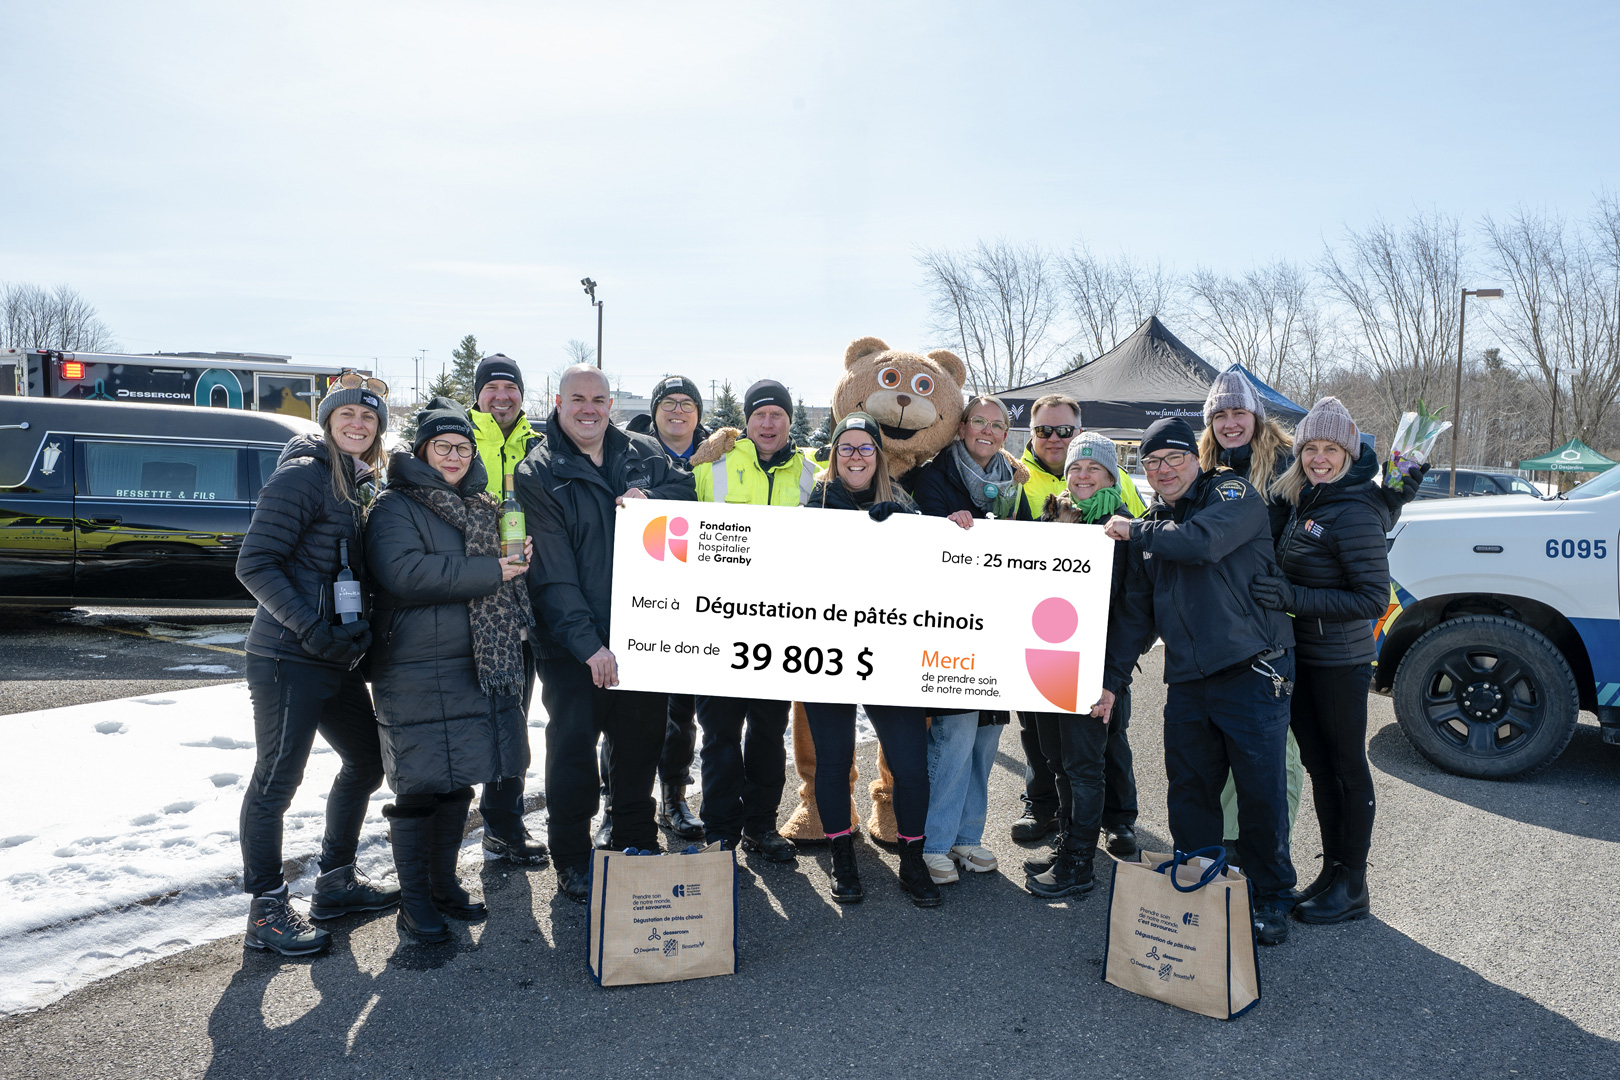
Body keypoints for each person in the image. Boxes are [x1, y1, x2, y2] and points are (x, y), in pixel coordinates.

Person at [1100, 416, 1298, 946]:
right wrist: (1111, 682)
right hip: (1189, 679)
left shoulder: (1230, 493)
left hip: (1253, 670)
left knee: (1260, 794)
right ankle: (1201, 884)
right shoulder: (1152, 525)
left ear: (1197, 458)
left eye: (1174, 458)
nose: (1164, 470)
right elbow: (1135, 617)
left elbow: (1201, 543)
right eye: (1152, 463)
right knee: (1189, 790)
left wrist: (1134, 529)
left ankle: (1272, 895)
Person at [514, 365, 697, 902]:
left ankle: (636, 841)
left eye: (598, 398)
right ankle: (571, 858)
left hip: (642, 633)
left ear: (611, 402)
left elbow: (685, 493)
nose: (589, 408)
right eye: (578, 399)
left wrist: (651, 499)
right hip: (574, 644)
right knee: (573, 751)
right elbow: (552, 574)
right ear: (559, 402)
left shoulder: (639, 451)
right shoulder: (539, 471)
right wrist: (589, 646)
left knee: (640, 744)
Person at [234, 373, 396, 956]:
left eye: (369, 418)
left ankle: (335, 881)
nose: (358, 424)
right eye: (347, 415)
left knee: (367, 760)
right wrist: (310, 627)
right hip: (287, 656)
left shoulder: (357, 482)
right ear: (327, 421)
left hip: (335, 658)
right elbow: (255, 563)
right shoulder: (303, 474)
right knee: (276, 782)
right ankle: (267, 909)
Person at [365, 397, 535, 942]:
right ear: (422, 450)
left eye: (463, 446)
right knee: (419, 787)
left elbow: (499, 576)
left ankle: (443, 885)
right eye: (444, 446)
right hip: (416, 665)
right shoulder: (396, 505)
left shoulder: (484, 503)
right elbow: (403, 573)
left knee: (458, 778)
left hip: (473, 663)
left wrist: (515, 564)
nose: (455, 455)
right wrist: (492, 570)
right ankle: (414, 904)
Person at [1252, 398, 1390, 925]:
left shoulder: (1353, 509)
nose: (1319, 457)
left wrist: (1292, 598)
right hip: (1304, 657)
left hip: (1340, 662)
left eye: (1331, 449)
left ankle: (1352, 884)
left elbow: (1373, 600)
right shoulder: (1307, 500)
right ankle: (1333, 872)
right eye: (1311, 447)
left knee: (1345, 770)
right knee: (1320, 768)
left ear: (1349, 454)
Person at [800, 413, 939, 907]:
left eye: (864, 448)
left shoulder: (904, 504)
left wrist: (919, 530)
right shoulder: (810, 504)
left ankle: (913, 861)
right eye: (846, 448)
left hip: (890, 650)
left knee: (910, 765)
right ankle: (842, 857)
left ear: (878, 454)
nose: (855, 456)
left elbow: (935, 567)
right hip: (828, 645)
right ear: (834, 454)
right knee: (833, 761)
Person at [688, 379, 816, 861]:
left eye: (777, 415)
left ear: (788, 420)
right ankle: (720, 831)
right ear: (746, 421)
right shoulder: (713, 464)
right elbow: (671, 499)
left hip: (779, 626)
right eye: (759, 414)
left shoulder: (811, 473)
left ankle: (761, 827)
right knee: (719, 735)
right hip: (717, 624)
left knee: (767, 732)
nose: (768, 423)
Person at [1011, 394, 1144, 844]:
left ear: (1111, 475)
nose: (1083, 475)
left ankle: (1116, 823)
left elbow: (1133, 603)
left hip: (1101, 657)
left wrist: (1115, 670)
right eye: (1076, 468)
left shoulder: (1121, 523)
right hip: (1049, 653)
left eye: (1093, 468)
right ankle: (1061, 823)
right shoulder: (1049, 515)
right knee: (1053, 750)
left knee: (1104, 745)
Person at [911, 395, 1028, 885]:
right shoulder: (933, 476)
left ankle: (968, 836)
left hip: (998, 628)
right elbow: (926, 544)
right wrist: (948, 530)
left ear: (1006, 434)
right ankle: (936, 843)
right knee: (953, 738)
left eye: (996, 425)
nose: (987, 430)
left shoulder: (1014, 483)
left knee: (985, 740)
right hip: (952, 630)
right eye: (978, 421)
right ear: (961, 428)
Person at [1198, 370, 1307, 846]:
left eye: (1238, 411)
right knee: (1226, 745)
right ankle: (1230, 846)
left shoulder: (1288, 463)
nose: (1230, 422)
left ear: (1256, 415)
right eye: (1220, 414)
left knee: (1278, 748)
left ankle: (1270, 850)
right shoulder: (1205, 466)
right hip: (1223, 624)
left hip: (1276, 624)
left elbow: (1340, 493)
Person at [466, 353, 549, 865]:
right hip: (468, 597)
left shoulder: (538, 444)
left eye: (510, 387)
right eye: (492, 387)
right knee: (462, 719)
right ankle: (438, 843)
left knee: (513, 714)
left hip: (523, 600)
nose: (502, 395)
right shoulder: (456, 438)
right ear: (479, 395)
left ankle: (502, 823)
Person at [623, 375, 709, 841]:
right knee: (627, 711)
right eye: (669, 403)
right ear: (655, 410)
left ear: (698, 412)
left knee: (681, 711)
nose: (678, 411)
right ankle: (618, 803)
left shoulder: (717, 456)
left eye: (687, 404)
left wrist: (654, 500)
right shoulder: (629, 450)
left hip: (695, 602)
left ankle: (674, 796)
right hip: (640, 598)